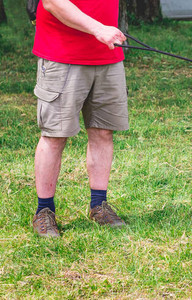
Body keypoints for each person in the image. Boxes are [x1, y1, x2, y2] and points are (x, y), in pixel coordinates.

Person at [32, 0, 128, 237]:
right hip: (61, 54)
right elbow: (54, 2)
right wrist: (98, 29)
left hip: (107, 53)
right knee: (55, 135)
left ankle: (99, 206)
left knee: (103, 131)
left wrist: (105, 33)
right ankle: (44, 211)